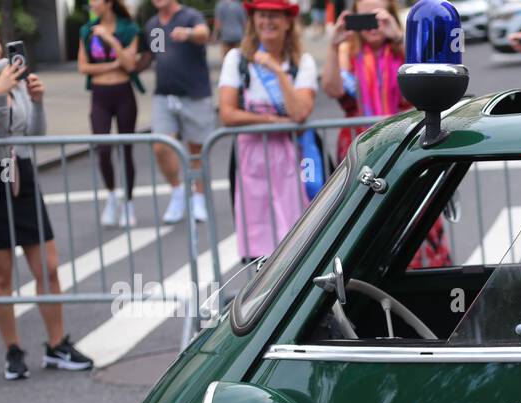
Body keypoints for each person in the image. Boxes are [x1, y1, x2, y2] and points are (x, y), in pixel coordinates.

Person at [0, 17, 94, 379]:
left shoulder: (12, 80)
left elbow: (35, 133)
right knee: (1, 276)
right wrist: (0, 94)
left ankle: (56, 344)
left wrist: (36, 101)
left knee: (48, 266)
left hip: (23, 175)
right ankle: (13, 350)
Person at [218, 0, 317, 261]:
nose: (267, 21)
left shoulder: (302, 62)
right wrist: (274, 122)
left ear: (287, 22)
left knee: (299, 237)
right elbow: (227, 113)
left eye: (274, 15)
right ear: (253, 20)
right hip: (251, 158)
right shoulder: (237, 59)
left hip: (295, 157)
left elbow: (299, 112)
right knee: (258, 236)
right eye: (262, 15)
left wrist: (277, 71)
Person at [137, 0, 213, 224]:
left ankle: (198, 197)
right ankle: (177, 192)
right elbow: (156, 54)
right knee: (161, 146)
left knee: (196, 148)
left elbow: (203, 33)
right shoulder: (153, 25)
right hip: (165, 94)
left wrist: (188, 34)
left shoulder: (190, 16)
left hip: (194, 93)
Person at [78, 0, 142, 228]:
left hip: (123, 92)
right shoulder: (87, 30)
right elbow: (83, 67)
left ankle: (129, 203)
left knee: (126, 149)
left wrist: (110, 39)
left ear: (108, 3)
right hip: (100, 95)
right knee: (103, 148)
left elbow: (130, 64)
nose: (91, 4)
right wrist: (112, 66)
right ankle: (112, 196)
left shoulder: (128, 28)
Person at [320, 0, 407, 162]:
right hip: (358, 147)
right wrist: (333, 46)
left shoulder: (403, 49)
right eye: (365, 19)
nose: (371, 26)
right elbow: (333, 90)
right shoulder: (346, 51)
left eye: (378, 18)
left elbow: (425, 80)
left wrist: (398, 38)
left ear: (391, 17)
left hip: (403, 143)